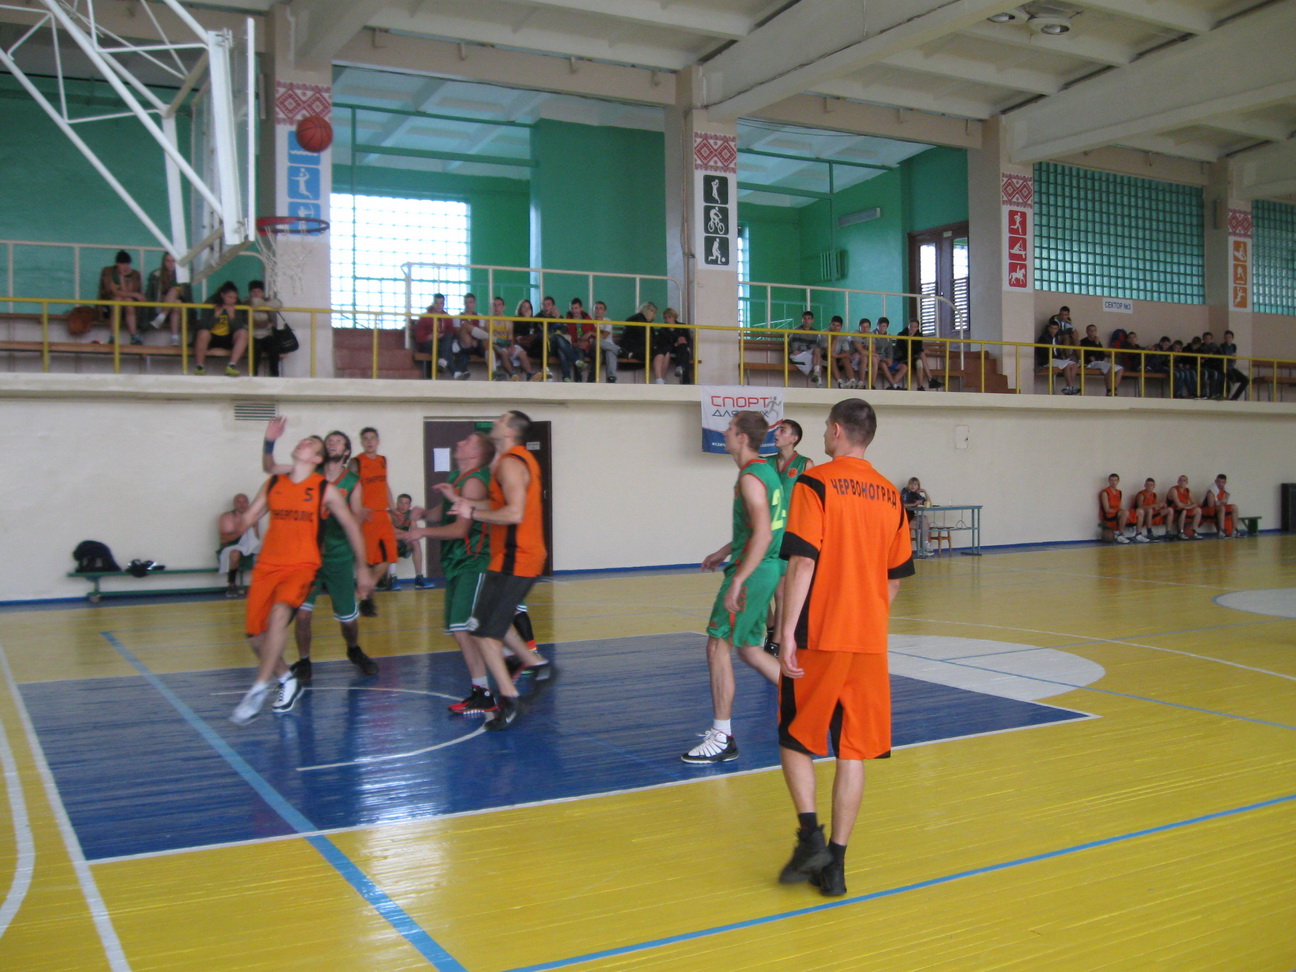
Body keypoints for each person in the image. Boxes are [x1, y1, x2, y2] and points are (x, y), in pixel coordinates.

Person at [776, 398, 914, 897]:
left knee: (795, 737)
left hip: (821, 633)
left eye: (824, 427)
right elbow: (894, 580)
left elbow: (802, 563)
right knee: (852, 750)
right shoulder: (892, 496)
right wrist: (867, 615)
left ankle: (809, 838)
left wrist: (786, 631)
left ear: (837, 430)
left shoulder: (815, 484)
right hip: (869, 641)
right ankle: (835, 865)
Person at [229, 424, 372, 725]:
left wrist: (362, 567)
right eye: (305, 440)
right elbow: (251, 512)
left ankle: (258, 689)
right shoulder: (275, 481)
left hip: (306, 564)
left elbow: (352, 524)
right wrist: (236, 525)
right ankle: (287, 678)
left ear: (318, 458)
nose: (304, 442)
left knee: (282, 613)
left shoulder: (327, 488)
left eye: (311, 443)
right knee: (255, 636)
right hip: (268, 566)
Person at [402, 431, 543, 715]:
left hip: (474, 562)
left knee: (470, 627)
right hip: (457, 563)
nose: (459, 443)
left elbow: (459, 529)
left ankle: (516, 668)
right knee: (466, 628)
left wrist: (422, 532)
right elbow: (447, 511)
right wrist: (425, 514)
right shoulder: (458, 477)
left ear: (477, 453)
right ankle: (505, 669)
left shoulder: (476, 481)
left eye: (467, 442)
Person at [681, 411, 786, 764]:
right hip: (764, 568)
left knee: (717, 645)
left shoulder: (751, 477)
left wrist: (738, 578)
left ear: (742, 438)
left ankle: (722, 736)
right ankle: (812, 702)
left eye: (729, 428)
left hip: (753, 572)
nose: (724, 432)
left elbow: (764, 534)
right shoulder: (763, 472)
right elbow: (758, 528)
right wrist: (725, 551)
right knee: (751, 650)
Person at [442, 411, 552, 730]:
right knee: (485, 629)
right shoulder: (507, 462)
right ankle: (534, 667)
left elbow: (514, 514)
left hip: (518, 557)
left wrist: (472, 512)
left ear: (509, 431)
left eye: (501, 419)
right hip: (508, 557)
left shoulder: (511, 463)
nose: (495, 421)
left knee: (484, 632)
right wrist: (463, 502)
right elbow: (498, 506)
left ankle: (511, 697)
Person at [263, 421, 381, 683]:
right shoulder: (308, 472)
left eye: (338, 441)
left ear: (347, 451)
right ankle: (304, 660)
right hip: (308, 558)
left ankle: (353, 649)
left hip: (339, 556)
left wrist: (361, 565)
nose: (332, 443)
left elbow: (354, 524)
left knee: (347, 620)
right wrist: (269, 441)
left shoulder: (352, 482)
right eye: (329, 440)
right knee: (303, 613)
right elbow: (270, 467)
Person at [762, 419, 815, 657]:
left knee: (781, 591)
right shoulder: (765, 463)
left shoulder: (805, 464)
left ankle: (777, 640)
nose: (776, 433)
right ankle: (771, 626)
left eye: (782, 430)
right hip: (765, 533)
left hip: (789, 533)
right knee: (757, 586)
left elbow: (813, 500)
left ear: (794, 438)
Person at [351, 427, 399, 616]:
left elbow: (384, 485)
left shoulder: (382, 461)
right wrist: (358, 509)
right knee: (367, 562)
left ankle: (365, 590)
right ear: (362, 442)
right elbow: (350, 486)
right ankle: (366, 602)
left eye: (373, 438)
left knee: (390, 556)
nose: (369, 441)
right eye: (366, 439)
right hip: (367, 517)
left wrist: (393, 507)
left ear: (378, 441)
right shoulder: (356, 462)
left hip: (383, 515)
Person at [195, 281, 248, 377]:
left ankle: (231, 366)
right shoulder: (211, 302)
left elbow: (238, 327)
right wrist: (215, 315)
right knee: (203, 333)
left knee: (243, 333)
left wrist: (232, 316)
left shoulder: (237, 304)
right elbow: (204, 325)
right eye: (230, 297)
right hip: (211, 337)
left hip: (228, 338)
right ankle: (200, 367)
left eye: (235, 298)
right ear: (222, 295)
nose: (233, 300)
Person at [217, 492, 261, 597]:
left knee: (266, 555)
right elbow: (224, 539)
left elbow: (255, 538)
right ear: (234, 504)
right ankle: (231, 585)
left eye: (244, 501)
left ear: (248, 503)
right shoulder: (227, 517)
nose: (242, 504)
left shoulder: (253, 518)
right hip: (230, 547)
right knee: (235, 553)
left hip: (247, 547)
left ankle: (259, 586)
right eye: (239, 502)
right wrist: (241, 530)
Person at [98, 249, 145, 343]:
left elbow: (126, 292)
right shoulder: (109, 272)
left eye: (127, 264)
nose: (125, 267)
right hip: (109, 307)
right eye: (122, 264)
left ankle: (134, 336)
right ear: (117, 264)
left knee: (128, 300)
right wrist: (135, 294)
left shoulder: (134, 274)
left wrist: (122, 278)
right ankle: (113, 336)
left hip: (129, 307)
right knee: (118, 299)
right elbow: (115, 292)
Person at [144, 252, 191, 346]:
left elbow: (186, 297)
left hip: (180, 310)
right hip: (159, 306)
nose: (170, 264)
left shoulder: (182, 275)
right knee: (176, 302)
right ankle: (175, 339)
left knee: (175, 295)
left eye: (173, 261)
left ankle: (161, 317)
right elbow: (151, 295)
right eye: (168, 261)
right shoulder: (156, 275)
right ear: (164, 262)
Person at [390, 493, 430, 588]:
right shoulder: (390, 514)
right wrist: (406, 533)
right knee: (390, 541)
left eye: (406, 503)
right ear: (396, 503)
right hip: (389, 542)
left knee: (415, 541)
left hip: (402, 541)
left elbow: (414, 531)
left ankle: (419, 577)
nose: (403, 505)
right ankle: (391, 578)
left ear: (409, 505)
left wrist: (405, 534)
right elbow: (390, 531)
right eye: (401, 502)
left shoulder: (410, 514)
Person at [248, 279, 287, 377]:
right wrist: (265, 322)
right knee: (255, 350)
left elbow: (279, 303)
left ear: (262, 293)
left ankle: (274, 376)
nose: (256, 294)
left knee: (274, 347)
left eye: (259, 291)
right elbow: (255, 303)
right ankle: (253, 376)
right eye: (254, 292)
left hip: (267, 335)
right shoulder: (246, 302)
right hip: (252, 335)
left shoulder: (267, 301)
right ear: (250, 293)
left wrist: (262, 305)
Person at [651, 307, 693, 384]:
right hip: (671, 351)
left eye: (669, 317)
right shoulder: (663, 330)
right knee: (685, 355)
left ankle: (680, 367)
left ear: (674, 317)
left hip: (681, 350)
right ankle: (683, 374)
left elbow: (688, 340)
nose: (667, 320)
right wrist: (675, 344)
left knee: (683, 347)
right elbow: (663, 345)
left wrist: (683, 341)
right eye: (665, 318)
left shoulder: (683, 327)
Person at [1078, 324, 1123, 396]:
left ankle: (1114, 389)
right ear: (1087, 332)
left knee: (1120, 369)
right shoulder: (1083, 341)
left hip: (1100, 362)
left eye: (1094, 331)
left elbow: (1102, 355)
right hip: (1090, 363)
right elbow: (1089, 355)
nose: (1092, 332)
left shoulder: (1097, 341)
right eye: (1090, 330)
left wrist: (1097, 344)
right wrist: (1096, 344)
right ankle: (1109, 390)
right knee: (1110, 368)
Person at [1037, 319, 1079, 394]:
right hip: (1047, 360)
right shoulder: (1043, 338)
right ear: (1048, 328)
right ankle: (1070, 386)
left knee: (1074, 365)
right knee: (1066, 365)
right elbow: (1044, 352)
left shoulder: (1057, 338)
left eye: (1055, 328)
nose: (1053, 330)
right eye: (1052, 328)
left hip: (1056, 360)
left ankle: (1070, 386)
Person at [412, 293, 448, 378]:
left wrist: (440, 335)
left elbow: (450, 333)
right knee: (440, 348)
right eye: (436, 303)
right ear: (433, 303)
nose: (439, 306)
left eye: (441, 303)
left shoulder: (447, 317)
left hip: (441, 343)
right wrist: (431, 336)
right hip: (426, 343)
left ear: (443, 304)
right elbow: (419, 337)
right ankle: (439, 370)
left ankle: (436, 373)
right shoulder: (425, 317)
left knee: (444, 345)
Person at [1099, 473, 1140, 543]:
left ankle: (1138, 533)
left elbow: (1120, 506)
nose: (1113, 482)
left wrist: (1126, 512)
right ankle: (1120, 534)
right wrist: (1122, 512)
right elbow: (1106, 510)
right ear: (1109, 481)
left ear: (1118, 481)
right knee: (1125, 512)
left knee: (1137, 511)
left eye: (1115, 480)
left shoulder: (1119, 492)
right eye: (1111, 480)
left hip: (1117, 512)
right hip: (1109, 514)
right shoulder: (1105, 492)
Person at [1201, 474, 1246, 538]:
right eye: (1218, 481)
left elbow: (1225, 503)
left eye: (1222, 482)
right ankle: (1221, 531)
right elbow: (1211, 505)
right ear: (1215, 481)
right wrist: (1221, 502)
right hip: (1207, 509)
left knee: (1234, 507)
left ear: (1225, 483)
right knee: (1222, 508)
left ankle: (1235, 530)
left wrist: (1219, 502)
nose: (1220, 484)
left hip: (1218, 508)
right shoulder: (1211, 490)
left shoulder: (1225, 491)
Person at [788, 310, 824, 387]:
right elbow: (795, 350)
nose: (806, 320)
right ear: (802, 320)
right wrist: (807, 348)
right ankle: (818, 380)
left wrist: (807, 349)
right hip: (797, 355)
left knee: (817, 353)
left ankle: (816, 374)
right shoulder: (796, 331)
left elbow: (815, 347)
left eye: (809, 318)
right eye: (805, 318)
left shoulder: (815, 332)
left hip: (806, 352)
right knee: (819, 359)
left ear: (812, 321)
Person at [1166, 475, 1204, 540]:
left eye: (1184, 480)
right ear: (1178, 481)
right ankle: (1181, 532)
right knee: (1183, 511)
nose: (1182, 482)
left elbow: (1195, 503)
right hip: (1174, 510)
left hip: (1184, 508)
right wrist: (1188, 506)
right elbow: (1178, 504)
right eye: (1180, 480)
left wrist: (1188, 507)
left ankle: (1194, 531)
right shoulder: (1174, 489)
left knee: (1198, 510)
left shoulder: (1187, 490)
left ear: (1187, 482)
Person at [900, 477, 932, 554]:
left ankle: (924, 544)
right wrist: (914, 504)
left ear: (918, 486)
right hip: (904, 519)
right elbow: (902, 505)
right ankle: (923, 548)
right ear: (908, 485)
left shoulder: (916, 494)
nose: (913, 486)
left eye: (915, 484)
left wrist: (925, 492)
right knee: (923, 524)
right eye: (911, 484)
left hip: (911, 517)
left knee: (924, 519)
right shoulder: (905, 492)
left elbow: (929, 504)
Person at [873, 317, 907, 390]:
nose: (881, 328)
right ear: (877, 325)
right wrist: (884, 359)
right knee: (883, 365)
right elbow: (873, 351)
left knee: (904, 367)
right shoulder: (872, 335)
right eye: (880, 326)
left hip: (886, 359)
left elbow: (890, 350)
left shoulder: (888, 336)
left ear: (887, 327)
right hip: (877, 359)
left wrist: (890, 359)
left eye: (884, 326)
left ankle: (891, 386)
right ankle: (894, 385)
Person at [593, 300, 622, 383]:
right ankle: (620, 350)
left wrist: (592, 333)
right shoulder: (590, 321)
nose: (598, 310)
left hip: (608, 346)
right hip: (596, 347)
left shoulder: (607, 321)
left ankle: (611, 378)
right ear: (593, 310)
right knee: (597, 341)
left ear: (604, 311)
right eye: (596, 308)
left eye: (600, 308)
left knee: (610, 352)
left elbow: (604, 336)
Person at [620, 301, 656, 367]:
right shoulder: (641, 321)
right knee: (657, 353)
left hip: (631, 347)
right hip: (634, 348)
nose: (654, 316)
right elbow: (644, 339)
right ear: (649, 311)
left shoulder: (641, 319)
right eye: (654, 313)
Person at [828, 316, 859, 389]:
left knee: (846, 358)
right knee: (831, 358)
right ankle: (840, 382)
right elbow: (829, 352)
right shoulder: (823, 333)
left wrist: (837, 356)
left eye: (838, 326)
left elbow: (847, 352)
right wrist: (835, 339)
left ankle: (852, 381)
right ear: (830, 324)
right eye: (833, 325)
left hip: (836, 356)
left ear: (841, 327)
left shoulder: (843, 336)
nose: (835, 328)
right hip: (825, 357)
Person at [1219, 330, 1250, 401]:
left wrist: (1232, 359)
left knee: (1246, 380)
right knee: (1232, 378)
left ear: (1232, 338)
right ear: (1224, 338)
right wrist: (1230, 357)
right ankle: (1226, 395)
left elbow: (1234, 358)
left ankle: (1234, 397)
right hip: (1225, 368)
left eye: (1229, 337)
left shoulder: (1233, 346)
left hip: (1231, 367)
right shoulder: (1222, 346)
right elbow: (1223, 357)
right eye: (1226, 337)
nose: (1228, 339)